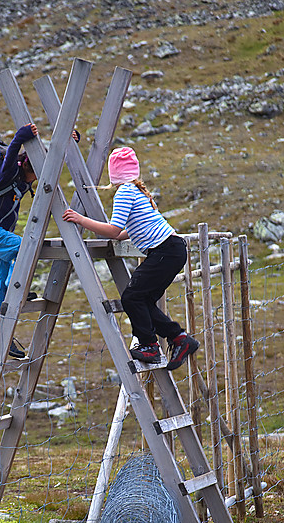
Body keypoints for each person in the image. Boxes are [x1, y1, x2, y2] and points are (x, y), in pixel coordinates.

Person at [63, 145, 199, 370]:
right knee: (142, 300)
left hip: (164, 251)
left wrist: (80, 219)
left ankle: (149, 345)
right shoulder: (136, 191)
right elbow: (133, 227)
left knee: (131, 297)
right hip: (171, 250)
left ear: (113, 174)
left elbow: (115, 230)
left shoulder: (124, 192)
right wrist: (121, 234)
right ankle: (179, 339)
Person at [0, 123, 39, 359]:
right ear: (28, 169)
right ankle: (18, 287)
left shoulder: (24, 179)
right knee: (25, 247)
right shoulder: (8, 173)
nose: (34, 181)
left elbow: (49, 164)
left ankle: (0, 335)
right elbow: (12, 153)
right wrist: (20, 137)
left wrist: (72, 142)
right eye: (35, 176)